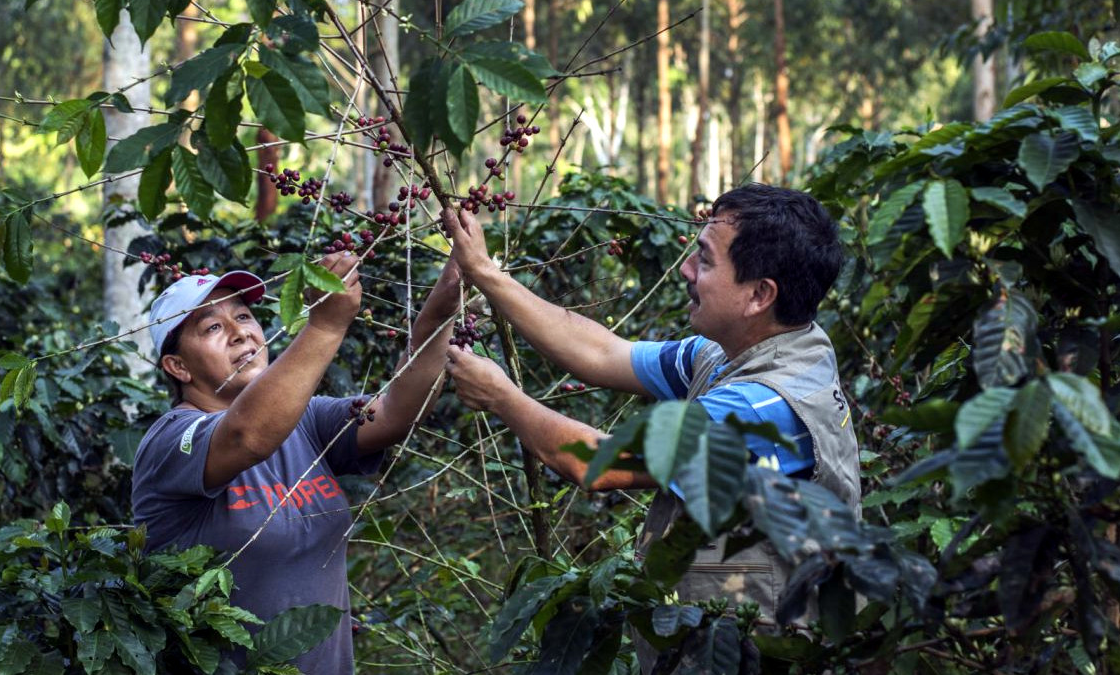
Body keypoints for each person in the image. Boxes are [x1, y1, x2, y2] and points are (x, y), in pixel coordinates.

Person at [442, 183, 858, 618]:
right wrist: (486, 273)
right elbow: (604, 353)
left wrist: (501, 396)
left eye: (706, 261)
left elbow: (597, 462)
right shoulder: (745, 348)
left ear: (759, 295)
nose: (686, 269)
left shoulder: (760, 410)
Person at [131, 252, 459, 673]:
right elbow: (246, 435)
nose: (239, 334)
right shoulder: (170, 440)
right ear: (178, 367)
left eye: (245, 317)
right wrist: (324, 325)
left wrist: (444, 303)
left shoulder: (305, 419)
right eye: (213, 327)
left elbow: (396, 413)